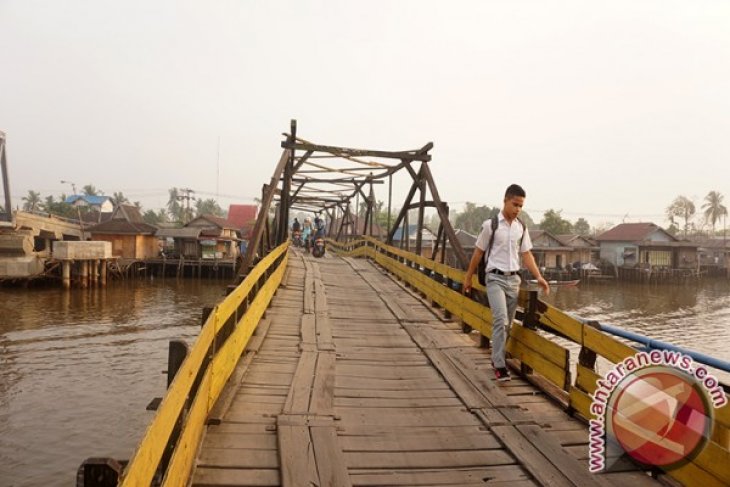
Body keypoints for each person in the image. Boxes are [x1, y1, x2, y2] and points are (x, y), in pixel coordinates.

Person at [463, 184, 550, 382]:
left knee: (508, 325)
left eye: (521, 206)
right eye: (515, 204)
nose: (517, 209)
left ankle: (499, 357)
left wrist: (539, 277)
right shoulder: (490, 225)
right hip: (494, 277)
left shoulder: (521, 227)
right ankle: (499, 364)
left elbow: (526, 254)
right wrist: (468, 277)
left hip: (514, 280)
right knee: (500, 319)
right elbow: (478, 252)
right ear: (505, 200)